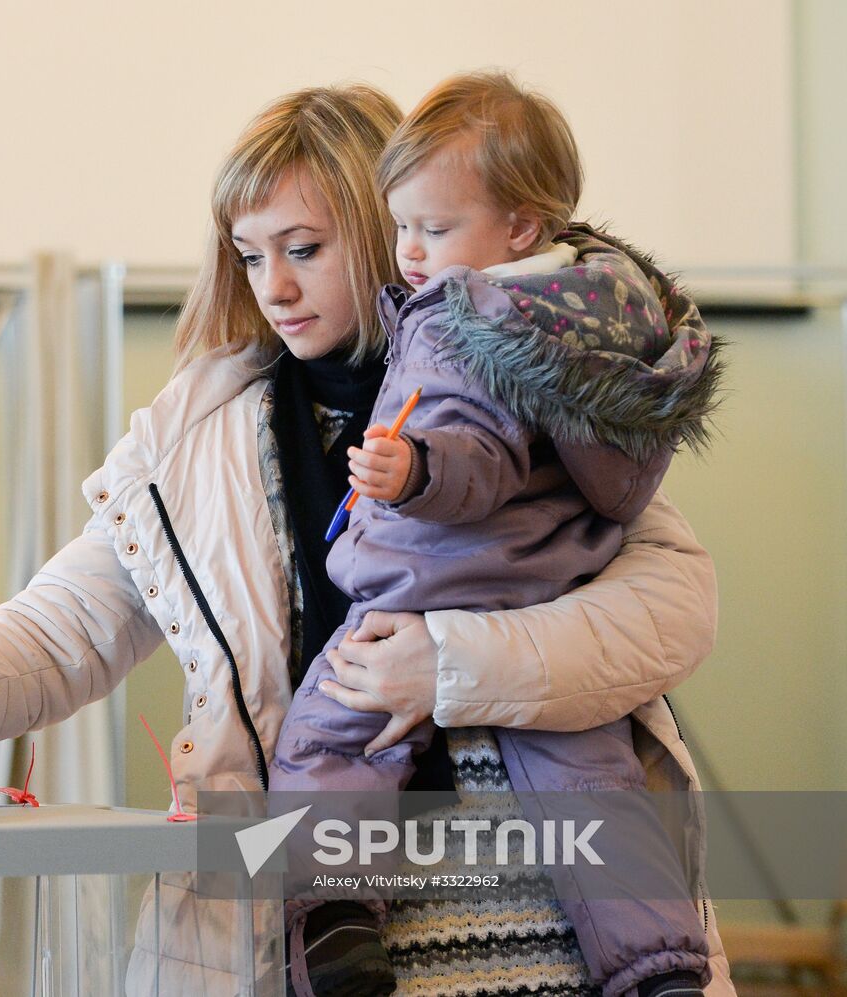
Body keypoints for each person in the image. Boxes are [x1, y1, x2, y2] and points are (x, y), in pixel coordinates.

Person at [0, 85, 735, 997]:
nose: (274, 287)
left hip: (561, 920)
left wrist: (446, 662)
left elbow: (669, 607)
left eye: (304, 248)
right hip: (309, 943)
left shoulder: (531, 379)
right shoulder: (192, 442)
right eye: (249, 255)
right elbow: (64, 628)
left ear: (391, 225)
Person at [270, 72, 721, 997]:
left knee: (325, 741)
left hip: (426, 590)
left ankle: (337, 915)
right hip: (527, 592)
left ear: (519, 226)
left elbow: (479, 452)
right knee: (595, 793)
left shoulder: (461, 321)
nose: (410, 253)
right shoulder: (582, 323)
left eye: (305, 248)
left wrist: (419, 473)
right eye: (246, 254)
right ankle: (659, 968)